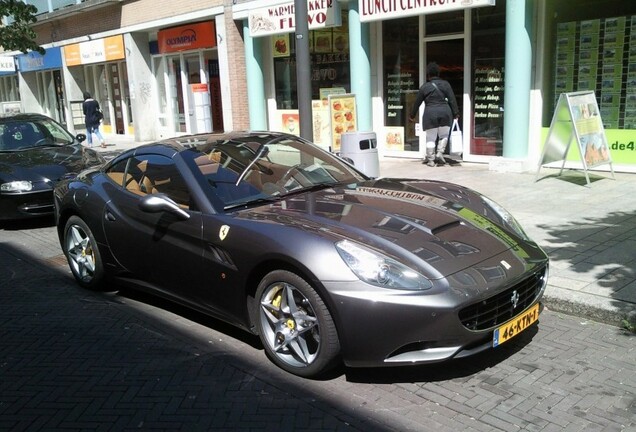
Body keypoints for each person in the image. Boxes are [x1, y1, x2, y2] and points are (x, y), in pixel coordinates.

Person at [409, 62, 459, 166]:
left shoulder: (424, 87)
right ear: (438, 73)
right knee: (444, 135)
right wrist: (456, 113)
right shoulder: (446, 84)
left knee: (431, 137)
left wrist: (412, 115)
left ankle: (431, 159)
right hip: (445, 113)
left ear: (428, 74)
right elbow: (452, 100)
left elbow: (417, 102)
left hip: (430, 114)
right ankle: (440, 153)